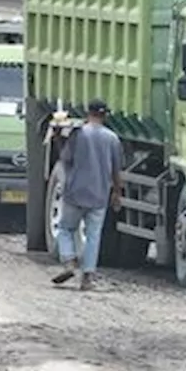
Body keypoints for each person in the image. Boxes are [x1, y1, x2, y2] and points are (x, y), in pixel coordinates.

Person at [52, 98, 123, 291]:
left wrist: (58, 138)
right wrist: (117, 193)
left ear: (87, 112)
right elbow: (117, 171)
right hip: (99, 194)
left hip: (74, 191)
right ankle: (87, 278)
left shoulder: (78, 134)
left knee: (66, 229)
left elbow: (65, 158)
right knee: (93, 236)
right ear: (105, 115)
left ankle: (69, 262)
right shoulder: (112, 139)